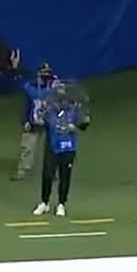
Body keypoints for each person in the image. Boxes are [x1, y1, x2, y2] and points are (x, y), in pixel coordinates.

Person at [31, 81, 90, 217]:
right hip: (52, 148)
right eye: (58, 91)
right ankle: (44, 203)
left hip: (68, 149)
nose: (60, 95)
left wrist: (80, 124)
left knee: (65, 177)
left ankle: (61, 204)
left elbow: (83, 124)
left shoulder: (74, 110)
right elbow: (39, 123)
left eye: (62, 91)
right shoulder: (49, 110)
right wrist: (38, 117)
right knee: (47, 176)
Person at [11, 60, 55, 181]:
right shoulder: (32, 89)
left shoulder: (53, 90)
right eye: (43, 74)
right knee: (27, 147)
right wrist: (25, 121)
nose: (45, 77)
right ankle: (22, 170)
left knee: (52, 149)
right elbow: (20, 82)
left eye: (47, 74)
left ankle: (51, 171)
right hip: (33, 123)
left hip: (49, 124)